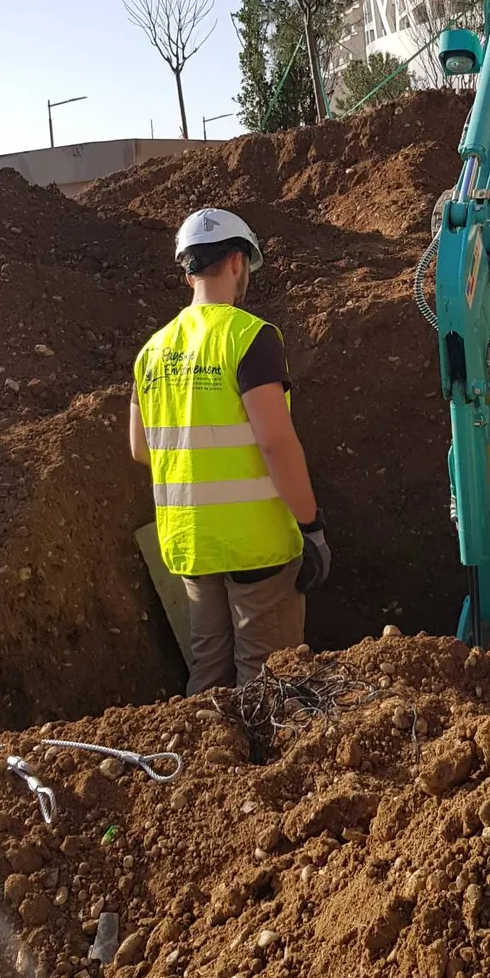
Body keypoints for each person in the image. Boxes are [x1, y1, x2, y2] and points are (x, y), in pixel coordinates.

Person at [129, 207, 329, 694]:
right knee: (268, 683)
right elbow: (276, 443)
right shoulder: (250, 338)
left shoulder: (152, 351)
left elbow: (140, 448)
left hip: (192, 543)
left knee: (210, 674)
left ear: (188, 272)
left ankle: (205, 745)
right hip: (256, 543)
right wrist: (312, 527)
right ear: (238, 262)